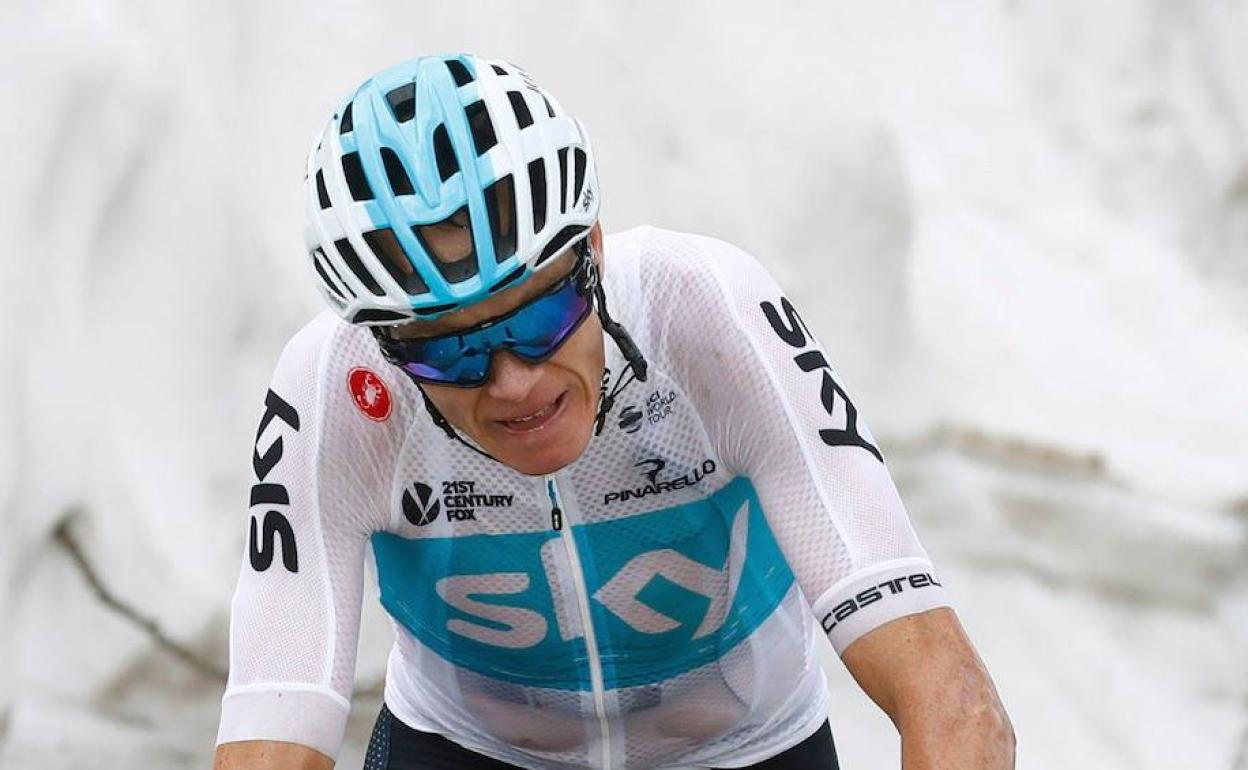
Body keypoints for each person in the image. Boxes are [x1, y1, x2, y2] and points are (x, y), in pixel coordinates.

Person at [212, 54, 1014, 770]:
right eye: (448, 350)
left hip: (742, 750)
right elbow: (272, 727)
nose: (513, 383)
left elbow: (953, 701)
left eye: (539, 316)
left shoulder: (706, 312)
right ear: (385, 342)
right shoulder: (337, 386)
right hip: (467, 750)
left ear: (593, 251)